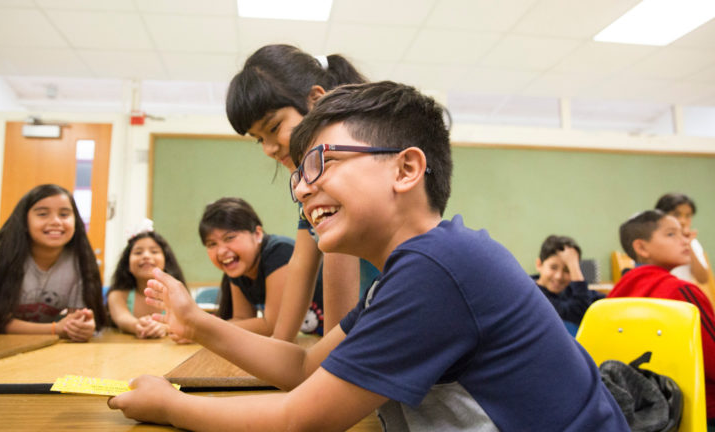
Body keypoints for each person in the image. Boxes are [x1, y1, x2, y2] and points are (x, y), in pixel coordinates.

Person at [109, 82, 628, 431]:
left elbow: (300, 418)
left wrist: (170, 405)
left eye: (321, 163)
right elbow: (306, 366)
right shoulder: (408, 271)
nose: (302, 191)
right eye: (299, 178)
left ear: (405, 170)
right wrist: (196, 323)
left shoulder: (439, 269)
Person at [225, 44, 374, 340]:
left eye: (274, 127)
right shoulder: (312, 181)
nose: (268, 148)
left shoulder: (342, 176)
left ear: (316, 100)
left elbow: (338, 332)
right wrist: (278, 347)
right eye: (258, 139)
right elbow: (302, 264)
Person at [0, 184, 105, 341]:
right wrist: (55, 329)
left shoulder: (79, 263)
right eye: (42, 214)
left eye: (64, 214)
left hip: (40, 345)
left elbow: (74, 321)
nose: (55, 221)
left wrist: (80, 328)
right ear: (24, 221)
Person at [608, 209, 715, 421]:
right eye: (671, 234)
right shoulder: (681, 292)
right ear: (641, 247)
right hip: (696, 410)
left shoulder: (612, 299)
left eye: (684, 234)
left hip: (639, 413)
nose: (685, 240)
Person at [199, 197, 322, 336]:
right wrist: (199, 331)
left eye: (229, 238)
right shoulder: (239, 267)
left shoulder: (279, 253)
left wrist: (205, 328)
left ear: (257, 234)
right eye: (212, 244)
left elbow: (273, 325)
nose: (221, 251)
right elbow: (243, 319)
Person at [107, 220, 186, 339]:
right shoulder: (117, 296)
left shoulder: (177, 294)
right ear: (127, 264)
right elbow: (121, 319)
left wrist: (165, 327)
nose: (146, 256)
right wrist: (137, 326)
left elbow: (186, 322)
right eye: (138, 252)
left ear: (166, 261)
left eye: (154, 251)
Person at [533, 235, 604, 328]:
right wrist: (573, 266)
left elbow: (603, 303)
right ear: (539, 264)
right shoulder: (533, 296)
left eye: (567, 270)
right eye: (553, 267)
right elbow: (579, 312)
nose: (559, 276)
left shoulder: (569, 289)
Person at [655, 193, 711, 292]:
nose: (683, 221)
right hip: (660, 292)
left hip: (682, 295)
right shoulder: (655, 239)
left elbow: (703, 278)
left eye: (688, 216)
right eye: (676, 215)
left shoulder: (692, 242)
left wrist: (689, 244)